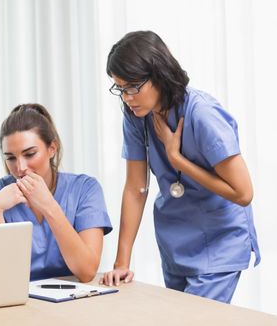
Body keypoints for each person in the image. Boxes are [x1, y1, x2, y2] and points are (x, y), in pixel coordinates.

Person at [100, 30, 260, 303]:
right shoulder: (137, 116)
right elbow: (136, 188)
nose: (127, 97)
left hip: (219, 239)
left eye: (132, 87)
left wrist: (178, 160)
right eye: (120, 88)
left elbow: (243, 193)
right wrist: (121, 263)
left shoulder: (202, 113)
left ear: (158, 73)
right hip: (176, 239)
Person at [0, 103, 112, 282]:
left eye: (30, 154)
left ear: (52, 149)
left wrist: (48, 205)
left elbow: (86, 271)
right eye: (10, 158)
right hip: (19, 302)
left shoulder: (85, 189)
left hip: (73, 301)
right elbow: (1, 281)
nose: (20, 168)